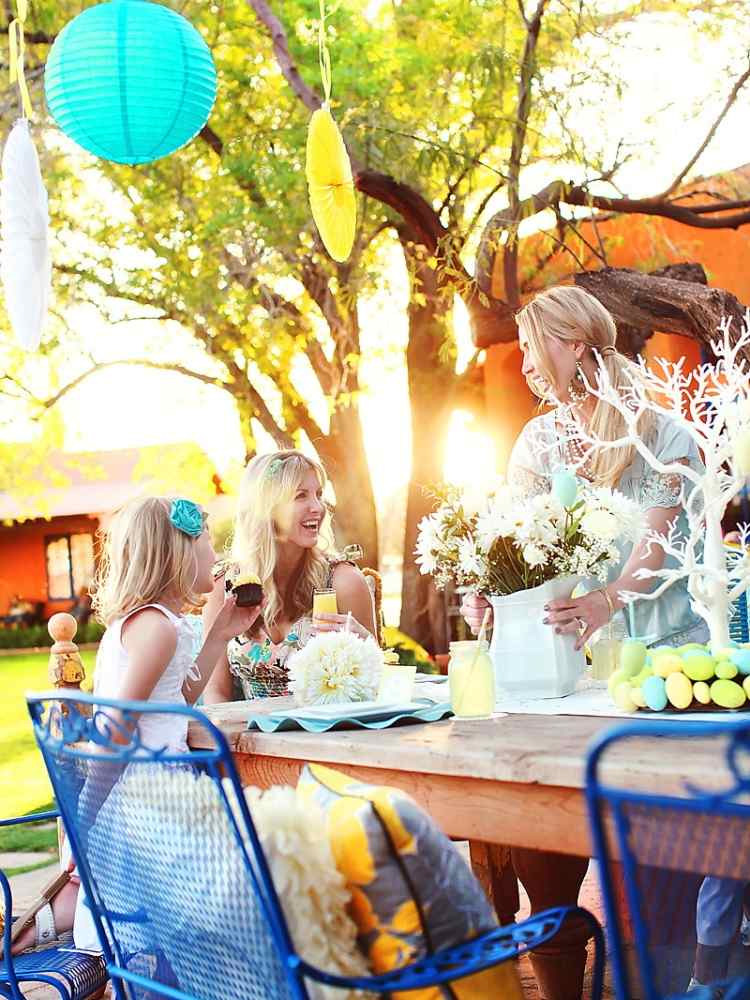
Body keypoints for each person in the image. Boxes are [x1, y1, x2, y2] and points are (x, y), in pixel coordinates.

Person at [461, 285, 708, 1000]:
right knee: (542, 852)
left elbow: (653, 554)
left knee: (661, 875)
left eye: (535, 344)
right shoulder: (537, 442)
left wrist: (605, 600)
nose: (527, 363)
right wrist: (493, 588)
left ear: (573, 344)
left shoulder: (665, 434)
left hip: (664, 673)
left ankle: (665, 979)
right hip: (568, 675)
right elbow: (518, 549)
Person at [7, 496, 260, 956]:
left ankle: (31, 927)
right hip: (153, 810)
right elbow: (112, 736)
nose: (216, 552)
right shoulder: (157, 628)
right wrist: (83, 825)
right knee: (259, 864)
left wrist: (220, 633)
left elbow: (173, 700)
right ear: (177, 552)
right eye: (206, 539)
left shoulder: (154, 623)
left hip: (151, 799)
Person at [203, 450, 377, 703]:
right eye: (300, 496)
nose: (318, 507)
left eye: (319, 494)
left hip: (329, 736)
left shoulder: (344, 582)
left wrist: (366, 646)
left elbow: (376, 684)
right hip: (247, 738)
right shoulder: (223, 588)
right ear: (267, 508)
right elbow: (215, 693)